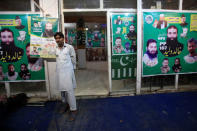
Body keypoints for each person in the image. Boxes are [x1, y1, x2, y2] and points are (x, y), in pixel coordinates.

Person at [54, 32, 77, 121]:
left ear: (63, 38)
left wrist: (72, 70)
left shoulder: (69, 47)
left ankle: (74, 110)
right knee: (62, 91)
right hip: (59, 72)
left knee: (69, 91)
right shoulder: (55, 48)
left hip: (68, 72)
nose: (57, 40)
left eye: (59, 38)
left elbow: (73, 58)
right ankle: (65, 104)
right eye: (56, 38)